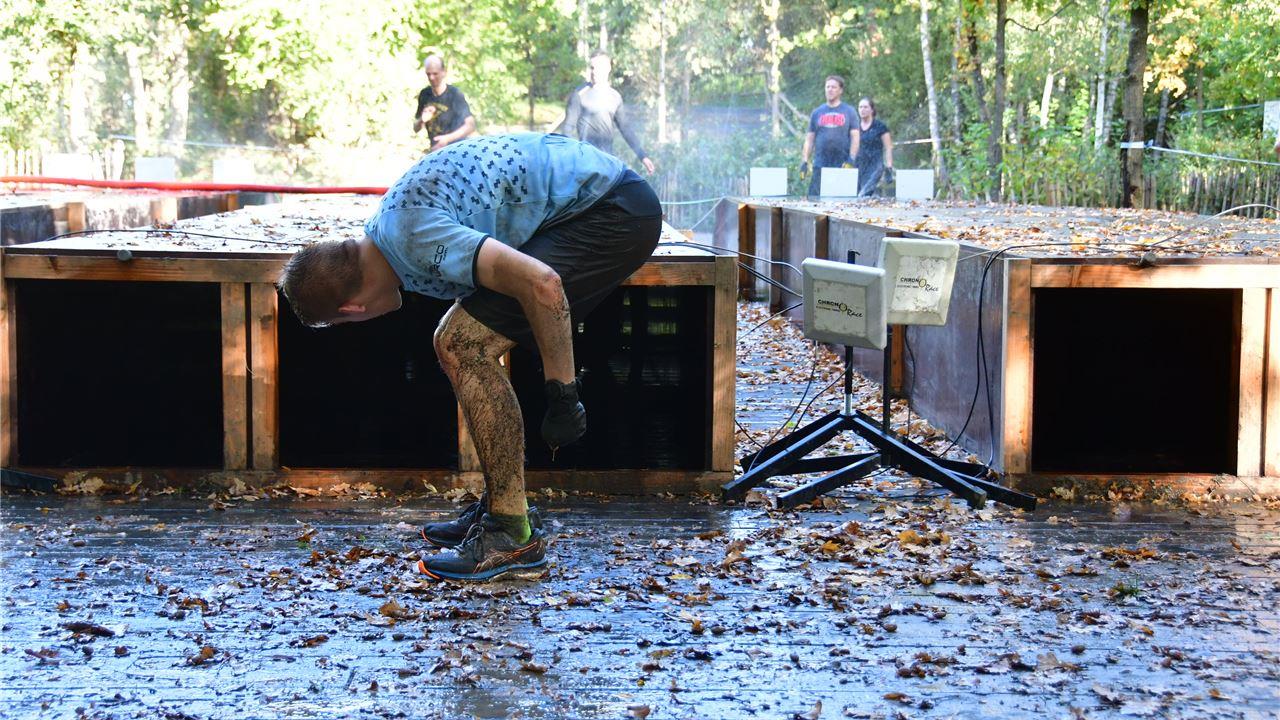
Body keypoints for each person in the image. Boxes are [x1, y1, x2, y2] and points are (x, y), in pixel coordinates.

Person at [277, 133, 662, 582]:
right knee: (455, 340)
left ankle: (511, 534)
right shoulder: (388, 231)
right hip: (596, 201)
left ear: (352, 309)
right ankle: (503, 505)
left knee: (462, 344)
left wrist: (563, 393)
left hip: (613, 212)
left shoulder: (413, 239)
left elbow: (543, 284)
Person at [558, 51, 656, 174]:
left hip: (607, 161)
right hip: (585, 162)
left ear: (608, 68)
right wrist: (566, 158)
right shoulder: (579, 94)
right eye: (592, 67)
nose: (594, 71)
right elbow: (567, 128)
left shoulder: (615, 97)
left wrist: (643, 156)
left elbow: (625, 129)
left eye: (598, 67)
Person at [800, 76, 859, 198]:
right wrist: (804, 161)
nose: (830, 90)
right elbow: (809, 139)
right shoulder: (817, 112)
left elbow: (855, 137)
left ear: (840, 90)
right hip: (820, 162)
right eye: (827, 87)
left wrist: (851, 158)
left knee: (841, 200)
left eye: (833, 87)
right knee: (815, 199)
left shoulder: (849, 111)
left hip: (842, 163)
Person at [413, 54, 476, 152]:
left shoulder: (454, 94)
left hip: (457, 149)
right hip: (436, 151)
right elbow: (415, 129)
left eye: (435, 74)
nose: (431, 77)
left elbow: (470, 125)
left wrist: (447, 139)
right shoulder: (425, 94)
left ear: (444, 72)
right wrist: (422, 119)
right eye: (428, 74)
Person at [853, 96, 894, 197]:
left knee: (863, 194)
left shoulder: (880, 127)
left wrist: (889, 167)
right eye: (860, 107)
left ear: (872, 110)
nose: (862, 110)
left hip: (875, 166)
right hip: (859, 165)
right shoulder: (855, 127)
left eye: (865, 107)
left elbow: (888, 147)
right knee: (857, 195)